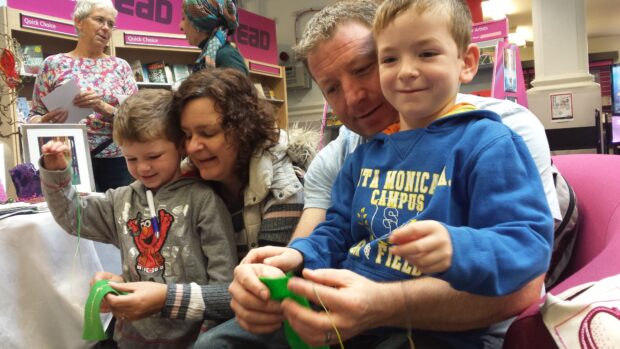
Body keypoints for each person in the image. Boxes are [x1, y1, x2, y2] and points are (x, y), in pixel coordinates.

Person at [226, 0, 563, 348]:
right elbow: (334, 229)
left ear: (466, 62)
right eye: (391, 60)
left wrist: (458, 247)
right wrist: (291, 262)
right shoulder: (359, 154)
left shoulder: (497, 136)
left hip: (439, 331)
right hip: (344, 312)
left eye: (362, 68)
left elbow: (527, 257)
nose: (405, 71)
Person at [89, 69, 304, 343]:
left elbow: (261, 291)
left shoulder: (283, 191)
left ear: (244, 129)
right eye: (187, 135)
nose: (193, 147)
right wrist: (126, 282)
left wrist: (163, 299)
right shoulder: (190, 181)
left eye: (207, 132)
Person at [38, 89, 237, 348]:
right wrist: (57, 174)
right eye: (131, 158)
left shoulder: (203, 200)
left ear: (179, 146)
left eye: (154, 156)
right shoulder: (120, 200)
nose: (143, 167)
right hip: (130, 340)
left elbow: (223, 278)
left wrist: (207, 338)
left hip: (192, 341)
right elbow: (72, 216)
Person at [28, 0, 138, 192]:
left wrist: (103, 107)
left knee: (118, 218)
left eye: (110, 24)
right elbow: (34, 116)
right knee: (73, 218)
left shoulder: (121, 66)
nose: (105, 28)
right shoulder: (53, 64)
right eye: (99, 20)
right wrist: (46, 120)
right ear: (79, 21)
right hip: (70, 157)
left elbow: (138, 117)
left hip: (117, 160)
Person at [180, 0, 248, 75]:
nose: (180, 26)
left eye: (183, 18)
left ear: (199, 24)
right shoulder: (212, 55)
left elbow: (240, 86)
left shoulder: (226, 56)